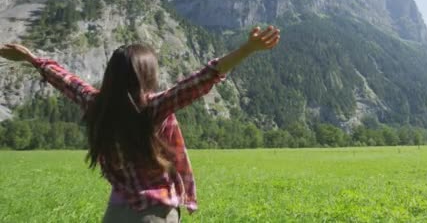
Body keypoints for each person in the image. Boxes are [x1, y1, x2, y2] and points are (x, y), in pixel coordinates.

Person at [0, 25, 280, 222]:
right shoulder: (153, 108)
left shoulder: (97, 104)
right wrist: (248, 48)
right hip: (156, 214)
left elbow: (66, 80)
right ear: (147, 75)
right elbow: (204, 78)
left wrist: (31, 58)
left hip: (116, 213)